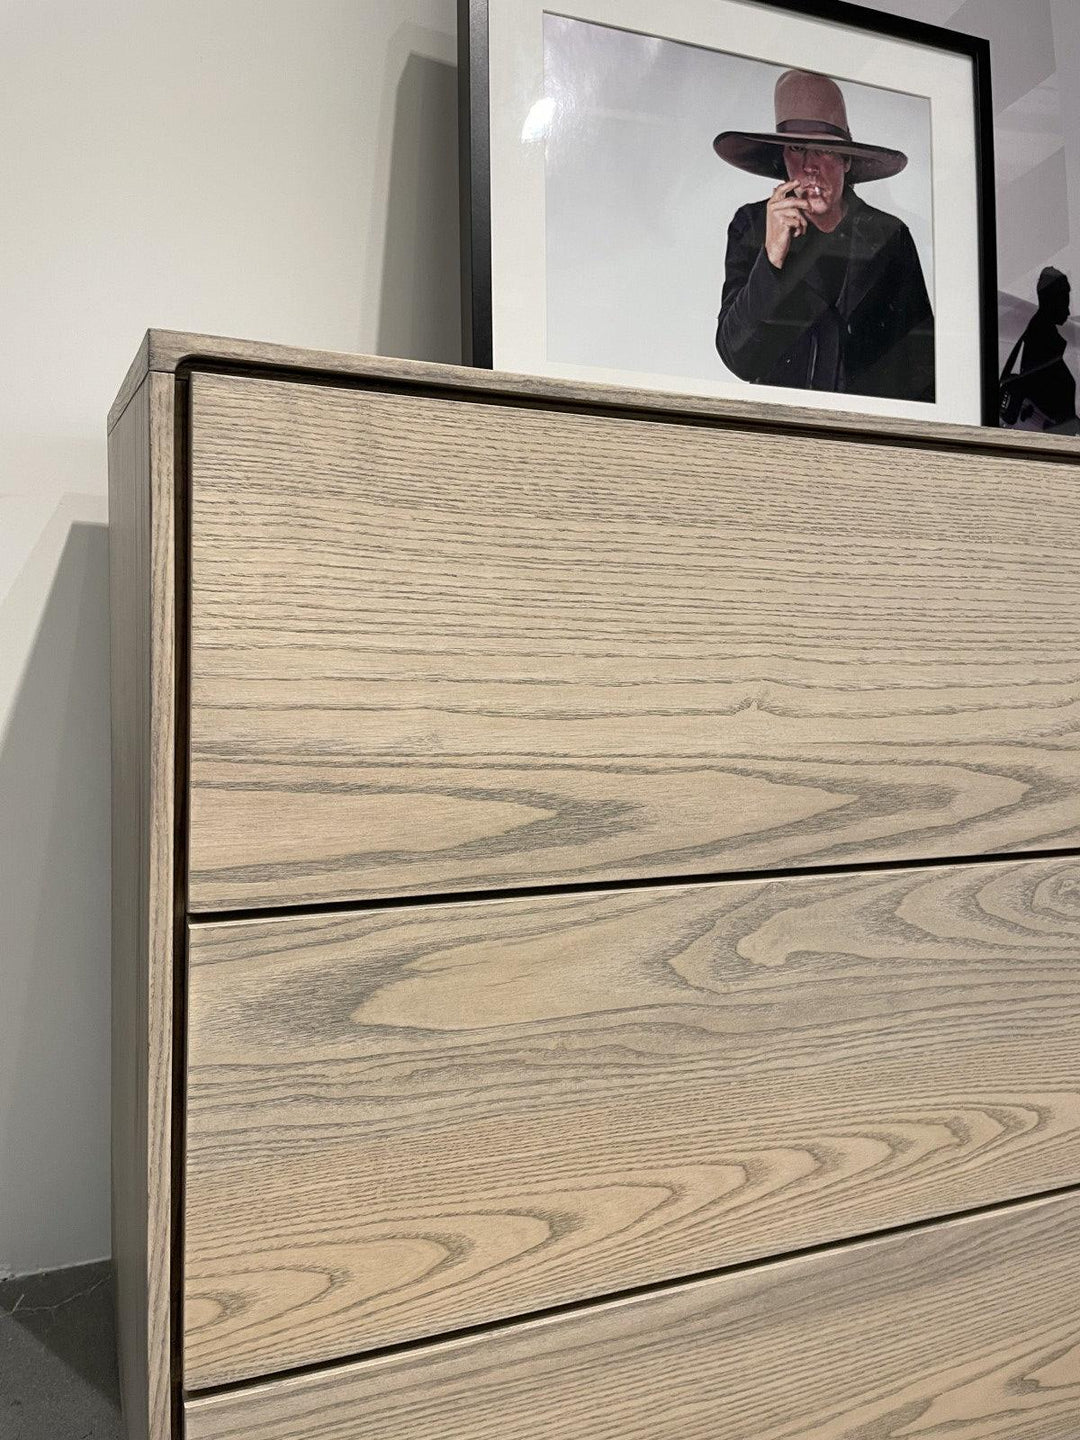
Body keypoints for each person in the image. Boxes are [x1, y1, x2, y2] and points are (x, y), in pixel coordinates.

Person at [713, 68, 935, 402]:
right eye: (797, 148)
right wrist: (771, 258)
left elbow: (922, 366)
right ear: (783, 157)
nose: (810, 166)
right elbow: (738, 358)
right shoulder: (752, 225)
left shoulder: (890, 236)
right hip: (782, 427)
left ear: (847, 160)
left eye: (825, 149)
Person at [999, 266, 1078, 432]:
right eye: (1064, 299)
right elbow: (1047, 397)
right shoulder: (1042, 340)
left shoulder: (1040, 334)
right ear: (1051, 300)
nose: (1068, 310)